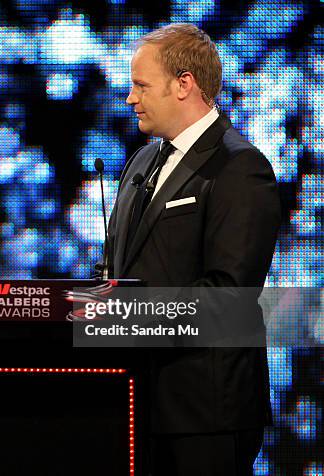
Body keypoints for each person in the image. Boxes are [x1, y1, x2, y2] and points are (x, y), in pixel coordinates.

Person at [104, 24, 281, 475]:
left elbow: (227, 296)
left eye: (141, 86)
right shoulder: (142, 160)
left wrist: (125, 319)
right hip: (133, 403)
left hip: (203, 413)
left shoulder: (240, 167)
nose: (130, 98)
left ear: (184, 84)